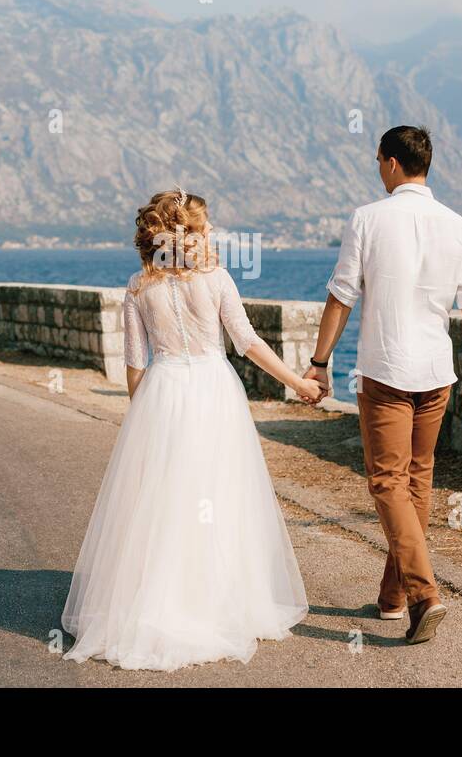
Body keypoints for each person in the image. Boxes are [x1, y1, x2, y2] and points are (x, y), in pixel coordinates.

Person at [61, 188, 320, 671]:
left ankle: (159, 602)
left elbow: (135, 365)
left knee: (164, 499)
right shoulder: (217, 279)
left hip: (163, 392)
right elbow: (247, 343)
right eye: (207, 226)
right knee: (217, 494)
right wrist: (297, 383)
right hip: (213, 391)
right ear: (195, 233)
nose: (212, 233)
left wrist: (142, 416)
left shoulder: (138, 288)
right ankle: (215, 601)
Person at [305, 125, 462, 645]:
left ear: (390, 163)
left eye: (377, 161)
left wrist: (319, 362)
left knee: (388, 482)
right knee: (417, 481)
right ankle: (393, 598)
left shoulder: (367, 218)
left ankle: (425, 594)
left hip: (386, 371)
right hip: (438, 373)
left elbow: (341, 297)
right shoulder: (460, 226)